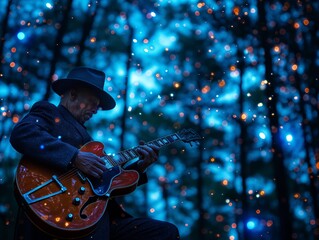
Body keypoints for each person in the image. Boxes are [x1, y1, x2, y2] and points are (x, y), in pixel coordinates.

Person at [10, 66, 180, 240]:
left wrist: (141, 166)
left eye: (98, 106)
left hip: (99, 217)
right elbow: (22, 134)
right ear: (73, 94)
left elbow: (108, 182)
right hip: (55, 210)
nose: (95, 110)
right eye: (92, 102)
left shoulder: (92, 143)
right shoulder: (49, 111)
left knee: (165, 232)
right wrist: (75, 157)